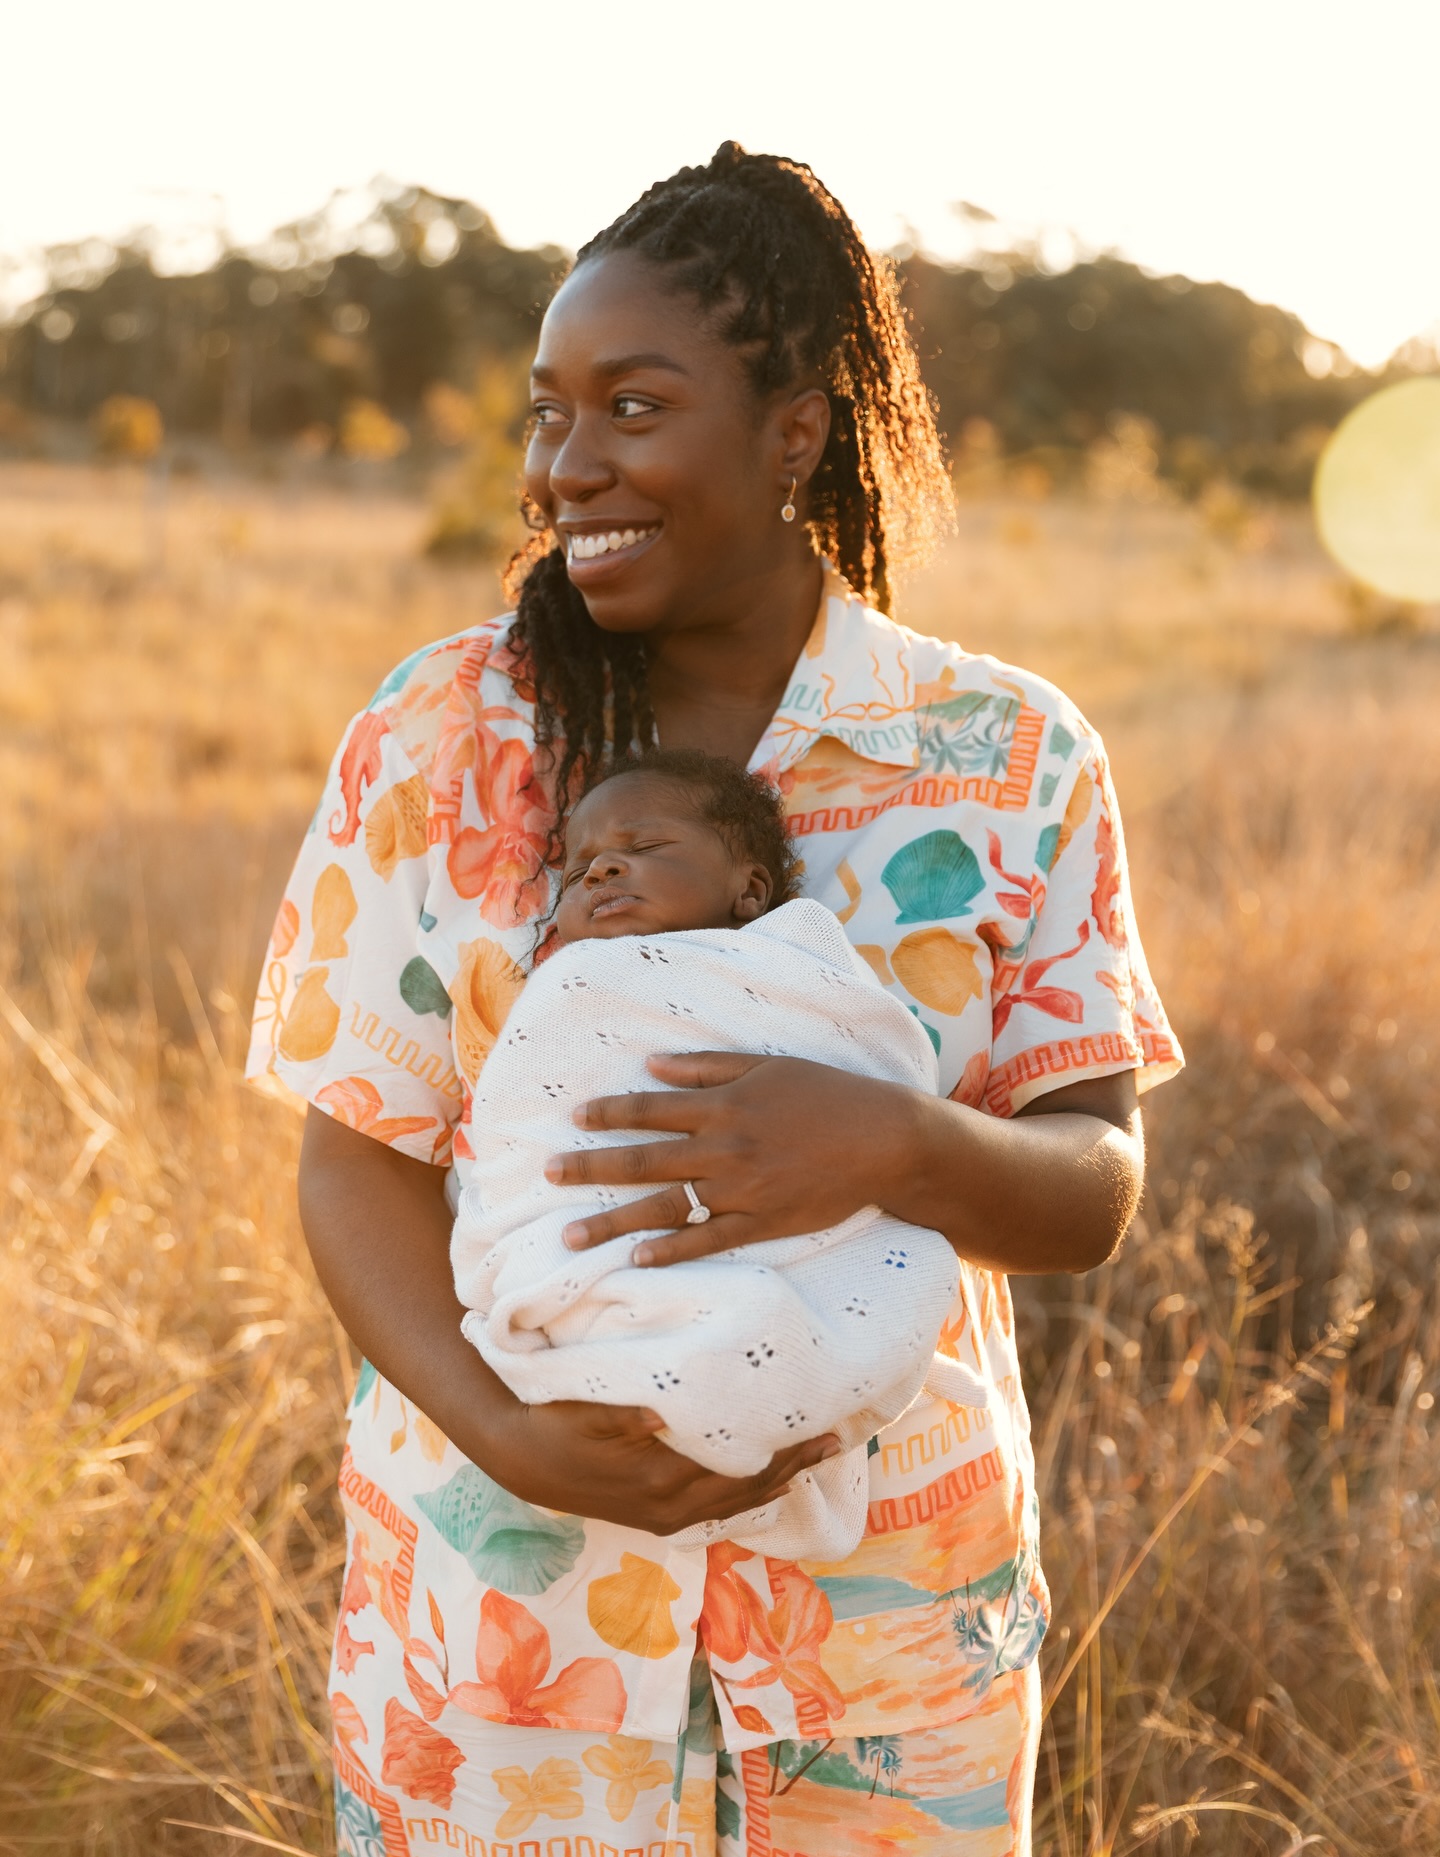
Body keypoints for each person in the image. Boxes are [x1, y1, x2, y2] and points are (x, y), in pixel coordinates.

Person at [248, 141, 1182, 1856]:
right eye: (548, 413)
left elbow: (1094, 1183)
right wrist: (506, 1433)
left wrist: (895, 1141)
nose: (567, 463)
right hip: (498, 1647)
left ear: (796, 433)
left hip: (886, 1647)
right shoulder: (442, 735)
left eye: (632, 406)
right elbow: (354, 1153)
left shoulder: (1006, 758)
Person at [452, 750, 970, 1564]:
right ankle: (653, 1357)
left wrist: (871, 1133)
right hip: (596, 1273)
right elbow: (519, 1129)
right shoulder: (573, 985)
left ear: (750, 890)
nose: (601, 868)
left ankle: (758, 1368)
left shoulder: (791, 967)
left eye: (644, 846)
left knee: (910, 1265)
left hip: (796, 1256)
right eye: (579, 868)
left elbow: (876, 1063)